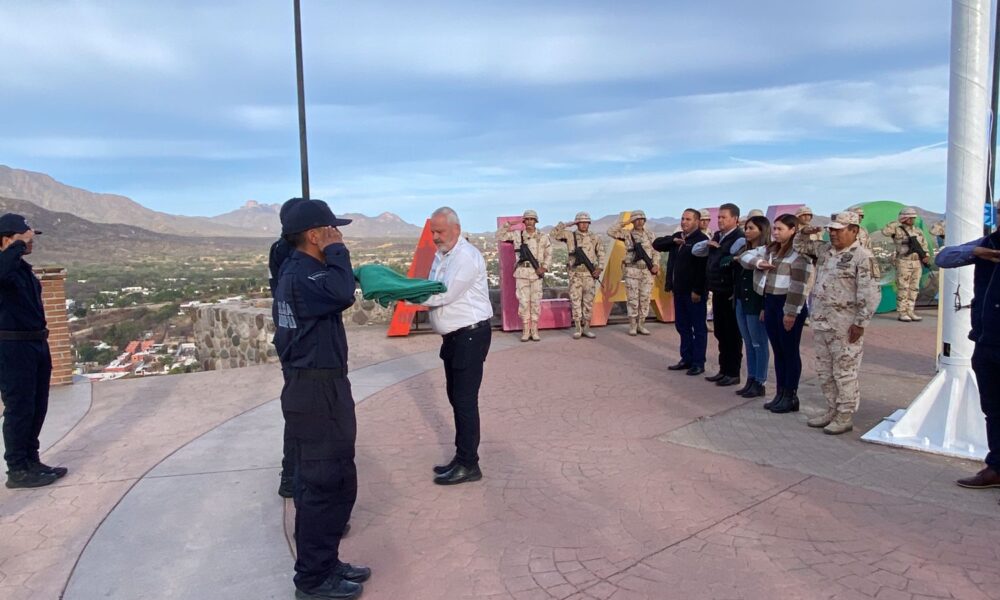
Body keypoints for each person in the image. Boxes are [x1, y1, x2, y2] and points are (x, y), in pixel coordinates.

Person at [272, 200, 370, 599]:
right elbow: (343, 292)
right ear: (315, 234)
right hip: (313, 390)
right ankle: (312, 580)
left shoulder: (301, 271)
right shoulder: (302, 274)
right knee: (320, 484)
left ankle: (327, 562)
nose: (339, 234)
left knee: (337, 478)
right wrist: (338, 253)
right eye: (332, 229)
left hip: (320, 386)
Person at [418, 207, 493, 485]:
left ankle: (469, 464)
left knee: (464, 401)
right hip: (454, 338)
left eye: (440, 232)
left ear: (456, 229)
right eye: (433, 232)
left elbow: (444, 294)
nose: (435, 237)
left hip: (470, 336)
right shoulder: (443, 255)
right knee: (456, 397)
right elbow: (431, 284)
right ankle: (462, 456)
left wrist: (408, 297)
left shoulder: (465, 256)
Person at [795, 212, 881, 434]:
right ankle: (832, 409)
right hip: (822, 321)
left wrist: (860, 323)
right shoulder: (825, 251)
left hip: (845, 325)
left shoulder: (862, 257)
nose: (833, 233)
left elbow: (870, 294)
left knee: (845, 371)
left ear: (854, 230)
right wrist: (805, 230)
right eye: (831, 229)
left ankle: (845, 415)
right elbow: (800, 246)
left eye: (839, 230)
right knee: (825, 370)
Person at [0, 214, 67, 489]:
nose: (30, 243)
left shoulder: (21, 268)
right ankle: (17, 469)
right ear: (6, 238)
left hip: (35, 343)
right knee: (19, 407)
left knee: (37, 404)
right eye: (25, 237)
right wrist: (15, 246)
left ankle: (31, 460)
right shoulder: (5, 267)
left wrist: (17, 248)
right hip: (12, 346)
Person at [935, 222, 1000, 490]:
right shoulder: (989, 244)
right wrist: (977, 251)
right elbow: (944, 257)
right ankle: (996, 467)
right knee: (993, 411)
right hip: (986, 343)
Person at [742, 214, 813, 412]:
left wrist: (790, 313)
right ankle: (780, 392)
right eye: (774, 228)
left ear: (793, 230)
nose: (775, 232)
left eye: (780, 229)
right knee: (779, 351)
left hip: (789, 304)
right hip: (772, 302)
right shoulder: (771, 250)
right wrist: (759, 264)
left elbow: (799, 287)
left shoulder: (799, 254)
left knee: (789, 351)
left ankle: (791, 395)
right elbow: (744, 257)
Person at [269, 197, 307, 499]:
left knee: (296, 410)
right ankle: (293, 475)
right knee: (302, 413)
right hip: (300, 342)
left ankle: (290, 473)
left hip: (287, 336)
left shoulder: (278, 249)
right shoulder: (291, 253)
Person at [693, 203, 746, 386]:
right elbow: (697, 251)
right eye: (719, 217)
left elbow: (731, 258)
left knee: (732, 333)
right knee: (721, 332)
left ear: (735, 219)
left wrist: (718, 248)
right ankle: (724, 370)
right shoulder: (717, 236)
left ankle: (733, 372)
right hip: (717, 290)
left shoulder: (739, 238)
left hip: (729, 292)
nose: (720, 220)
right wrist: (709, 243)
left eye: (724, 217)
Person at [654, 208, 708, 375]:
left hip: (693, 292)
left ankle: (698, 362)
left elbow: (703, 269)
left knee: (698, 328)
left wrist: (698, 290)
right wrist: (674, 241)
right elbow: (657, 244)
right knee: (682, 326)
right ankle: (686, 358)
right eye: (683, 219)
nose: (684, 222)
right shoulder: (678, 237)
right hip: (678, 290)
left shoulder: (701, 240)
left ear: (697, 222)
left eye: (688, 219)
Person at [731, 215, 771, 398]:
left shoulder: (767, 252)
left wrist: (764, 306)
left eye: (751, 228)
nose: (747, 232)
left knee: (759, 343)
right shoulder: (744, 250)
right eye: (746, 228)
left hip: (756, 302)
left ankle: (760, 381)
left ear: (762, 231)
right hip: (741, 300)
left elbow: (767, 282)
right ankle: (751, 378)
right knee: (748, 342)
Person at [497, 210, 551, 342]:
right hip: (522, 273)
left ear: (536, 221)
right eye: (527, 219)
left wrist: (544, 267)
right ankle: (526, 331)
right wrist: (509, 224)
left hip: (536, 273)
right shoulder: (517, 235)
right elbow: (500, 236)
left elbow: (549, 253)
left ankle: (535, 330)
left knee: (535, 303)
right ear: (524, 221)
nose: (529, 222)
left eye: (532, 219)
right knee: (523, 303)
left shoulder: (543, 237)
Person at [551, 212, 605, 339]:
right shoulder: (570, 235)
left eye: (586, 222)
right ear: (577, 223)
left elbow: (601, 253)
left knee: (588, 303)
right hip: (575, 274)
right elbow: (553, 234)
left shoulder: (594, 237)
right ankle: (578, 328)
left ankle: (586, 328)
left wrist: (600, 268)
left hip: (589, 274)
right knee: (575, 302)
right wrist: (568, 224)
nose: (584, 224)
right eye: (581, 222)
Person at [608, 210, 660, 336]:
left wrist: (656, 264)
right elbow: (610, 232)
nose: (639, 221)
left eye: (642, 219)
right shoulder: (627, 234)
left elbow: (655, 251)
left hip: (646, 271)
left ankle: (641, 325)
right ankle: (632, 325)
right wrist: (625, 223)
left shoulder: (650, 235)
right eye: (636, 219)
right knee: (632, 299)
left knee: (645, 298)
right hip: (632, 270)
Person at [882, 207, 930, 322]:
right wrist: (898, 222)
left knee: (914, 288)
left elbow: (923, 244)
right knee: (903, 287)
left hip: (916, 261)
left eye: (913, 218)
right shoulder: (897, 229)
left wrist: (926, 255)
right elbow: (885, 232)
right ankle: (902, 312)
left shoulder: (918, 231)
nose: (912, 220)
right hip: (903, 261)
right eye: (910, 218)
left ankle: (910, 311)